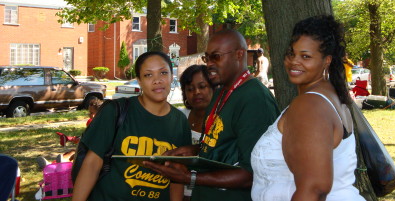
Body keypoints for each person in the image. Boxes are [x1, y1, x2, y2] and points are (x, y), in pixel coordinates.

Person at [143, 29, 280, 201]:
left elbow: (252, 174)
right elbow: (223, 147)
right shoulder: (221, 92)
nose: (209, 64)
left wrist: (189, 178)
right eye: (207, 58)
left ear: (239, 54)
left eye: (216, 56)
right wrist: (193, 152)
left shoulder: (255, 99)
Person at [251, 15, 364, 201]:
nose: (294, 61)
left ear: (327, 60)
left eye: (306, 56)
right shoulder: (328, 96)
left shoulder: (310, 105)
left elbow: (314, 189)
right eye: (291, 53)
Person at [72, 51, 191, 201]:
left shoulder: (180, 122)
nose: (157, 80)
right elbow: (92, 164)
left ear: (171, 77)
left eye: (163, 72)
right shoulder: (115, 111)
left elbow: (177, 175)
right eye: (148, 75)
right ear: (139, 81)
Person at [178, 64, 214, 200]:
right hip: (180, 192)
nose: (196, 92)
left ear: (213, 87)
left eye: (202, 86)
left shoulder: (222, 120)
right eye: (190, 89)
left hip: (208, 192)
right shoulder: (179, 118)